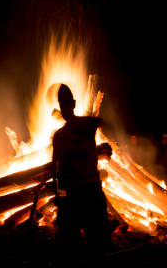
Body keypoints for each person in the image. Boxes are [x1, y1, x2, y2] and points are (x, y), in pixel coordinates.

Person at [51, 84, 112, 260]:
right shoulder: (89, 124)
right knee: (98, 242)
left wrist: (59, 195)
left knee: (70, 246)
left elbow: (57, 168)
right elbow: (107, 124)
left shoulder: (59, 136)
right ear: (75, 103)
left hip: (72, 196)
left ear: (61, 109)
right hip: (92, 191)